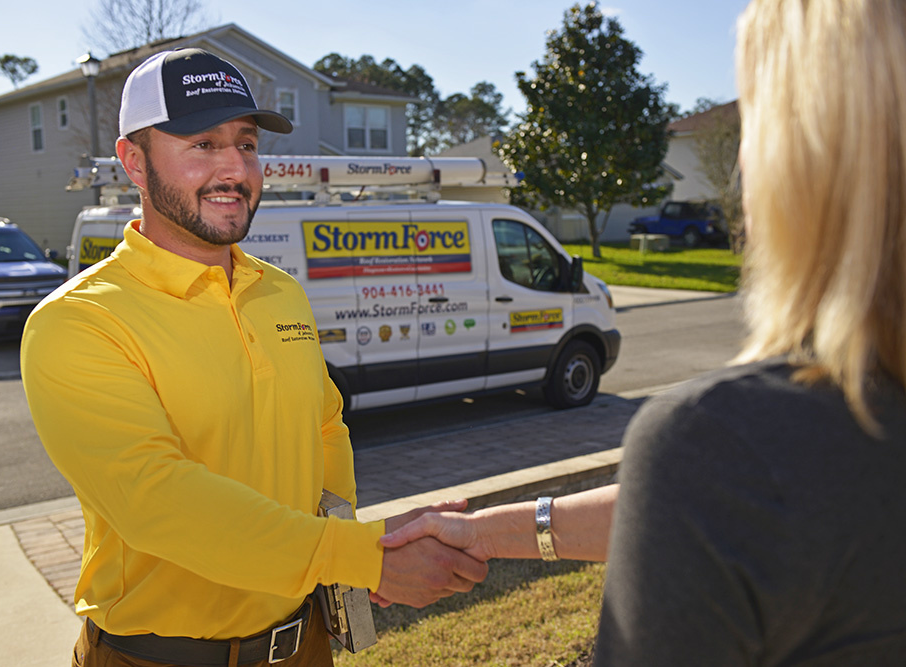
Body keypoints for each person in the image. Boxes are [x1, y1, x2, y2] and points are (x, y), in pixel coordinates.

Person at [383, 0, 906, 663]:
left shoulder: (730, 441)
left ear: (800, 157)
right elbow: (711, 509)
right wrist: (486, 533)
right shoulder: (746, 464)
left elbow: (723, 490)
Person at [21, 47, 487, 667]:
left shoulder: (279, 290)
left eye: (245, 144)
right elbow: (157, 501)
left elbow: (324, 429)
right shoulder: (79, 321)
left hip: (303, 644)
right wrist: (358, 554)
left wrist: (347, 562)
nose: (235, 169)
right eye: (203, 145)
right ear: (134, 161)